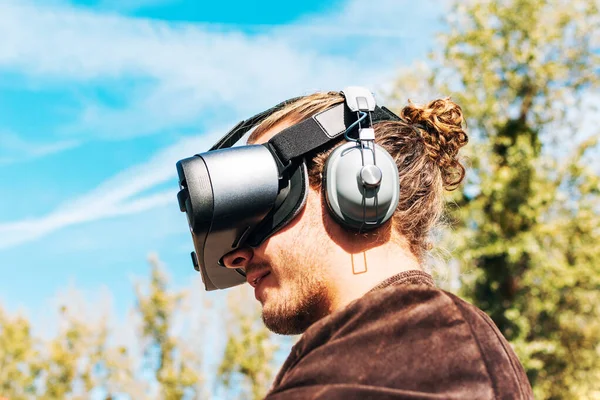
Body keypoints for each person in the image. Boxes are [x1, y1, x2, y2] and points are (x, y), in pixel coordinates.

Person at [216, 91, 533, 399]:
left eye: (263, 201)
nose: (235, 258)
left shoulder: (431, 349)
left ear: (358, 184)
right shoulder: (390, 347)